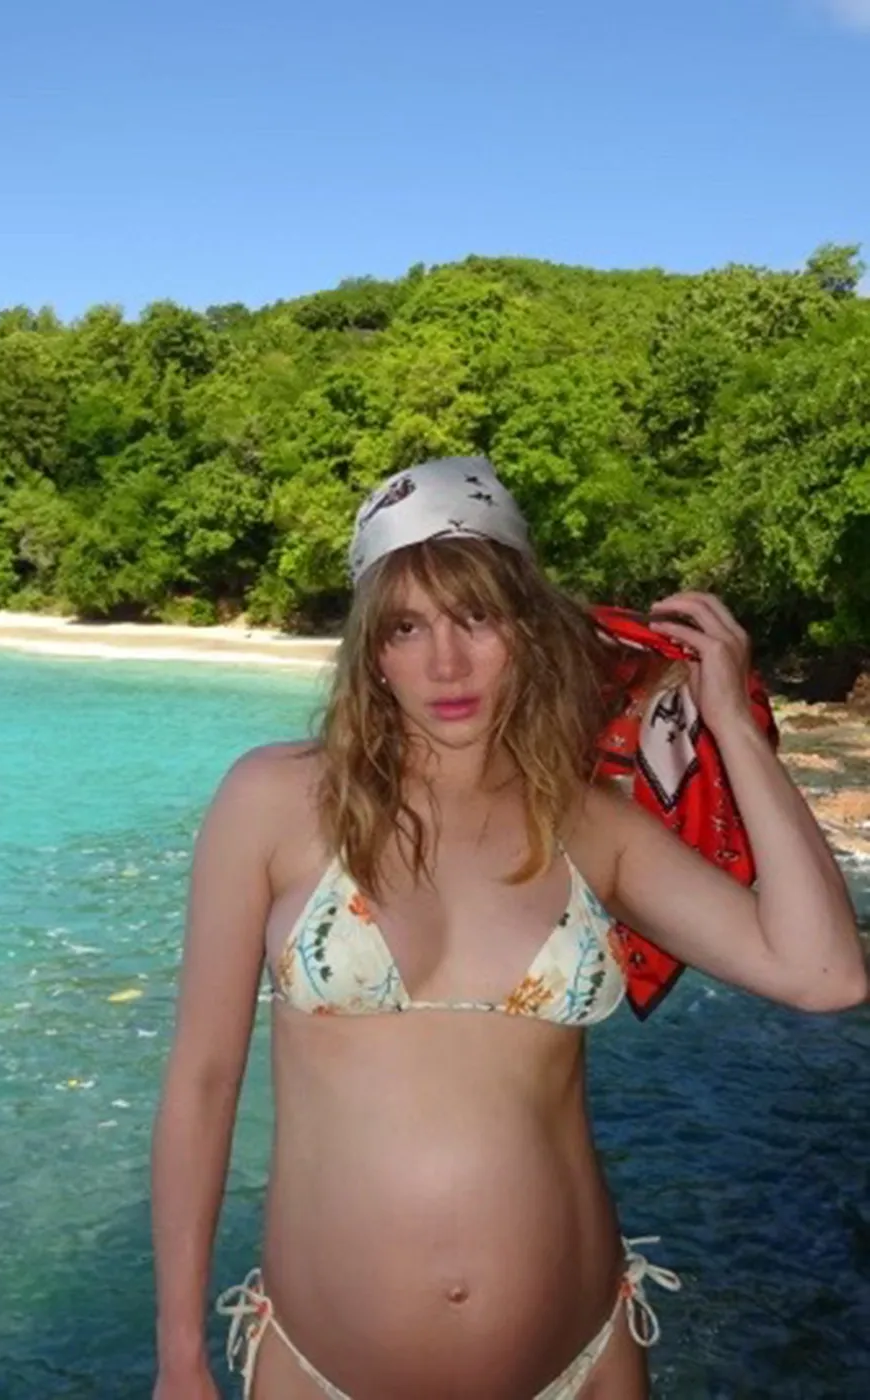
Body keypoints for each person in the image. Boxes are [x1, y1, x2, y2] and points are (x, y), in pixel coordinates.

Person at [151, 456, 865, 1400]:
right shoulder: (274, 800)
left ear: (527, 627)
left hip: (581, 1363)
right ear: (372, 650)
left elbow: (825, 974)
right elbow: (204, 1080)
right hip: (318, 1371)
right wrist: (181, 1354)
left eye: (477, 618)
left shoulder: (589, 825)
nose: (445, 664)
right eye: (407, 628)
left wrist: (731, 724)